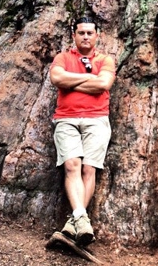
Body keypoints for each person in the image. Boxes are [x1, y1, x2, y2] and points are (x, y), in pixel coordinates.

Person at [49, 17, 116, 246]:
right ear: (74, 35)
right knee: (72, 165)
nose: (85, 36)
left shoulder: (105, 60)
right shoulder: (63, 58)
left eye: (89, 33)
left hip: (97, 119)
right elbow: (56, 78)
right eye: (81, 33)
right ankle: (80, 219)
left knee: (89, 168)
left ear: (97, 36)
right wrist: (89, 78)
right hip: (66, 119)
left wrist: (71, 82)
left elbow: (103, 84)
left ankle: (74, 222)